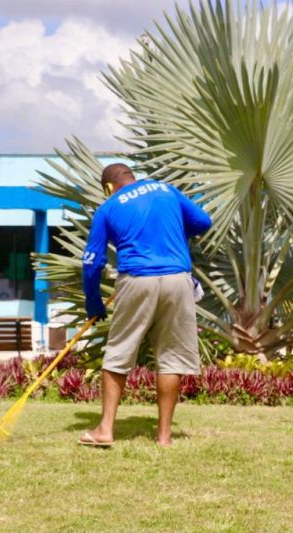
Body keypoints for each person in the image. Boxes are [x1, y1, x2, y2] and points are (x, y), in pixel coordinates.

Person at [79, 163, 212, 447]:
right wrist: (169, 234)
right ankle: (164, 437)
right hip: (178, 279)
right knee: (171, 358)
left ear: (107, 187)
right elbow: (203, 221)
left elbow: (92, 264)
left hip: (137, 279)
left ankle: (105, 430)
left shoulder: (108, 207)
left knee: (118, 353)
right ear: (132, 178)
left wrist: (93, 303)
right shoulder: (167, 190)